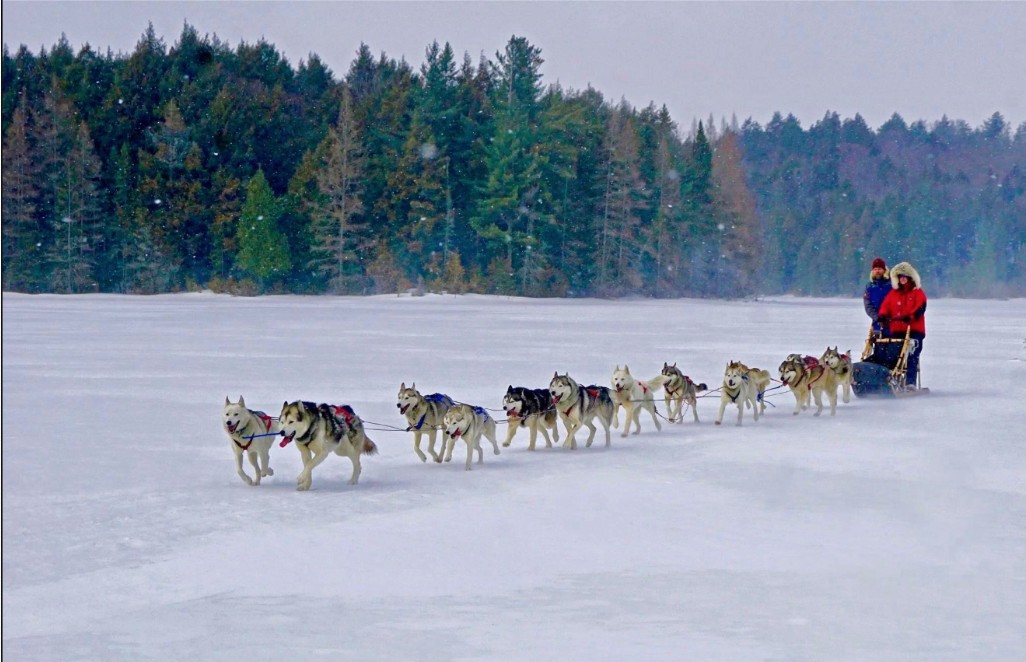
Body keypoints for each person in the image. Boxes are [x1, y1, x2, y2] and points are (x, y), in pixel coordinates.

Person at [877, 262, 927, 388]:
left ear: (910, 277)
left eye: (905, 276)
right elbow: (885, 306)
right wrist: (882, 315)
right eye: (900, 276)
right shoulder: (894, 293)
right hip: (898, 329)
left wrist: (911, 316)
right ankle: (893, 379)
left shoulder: (917, 292)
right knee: (893, 355)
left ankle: (910, 382)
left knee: (912, 354)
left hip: (914, 330)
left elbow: (921, 307)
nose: (903, 279)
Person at [863, 257, 892, 334]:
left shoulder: (892, 284)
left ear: (884, 270)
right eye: (875, 269)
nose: (877, 271)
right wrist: (877, 318)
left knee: (894, 345)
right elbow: (868, 306)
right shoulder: (869, 287)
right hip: (877, 324)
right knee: (878, 345)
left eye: (879, 269)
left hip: (893, 323)